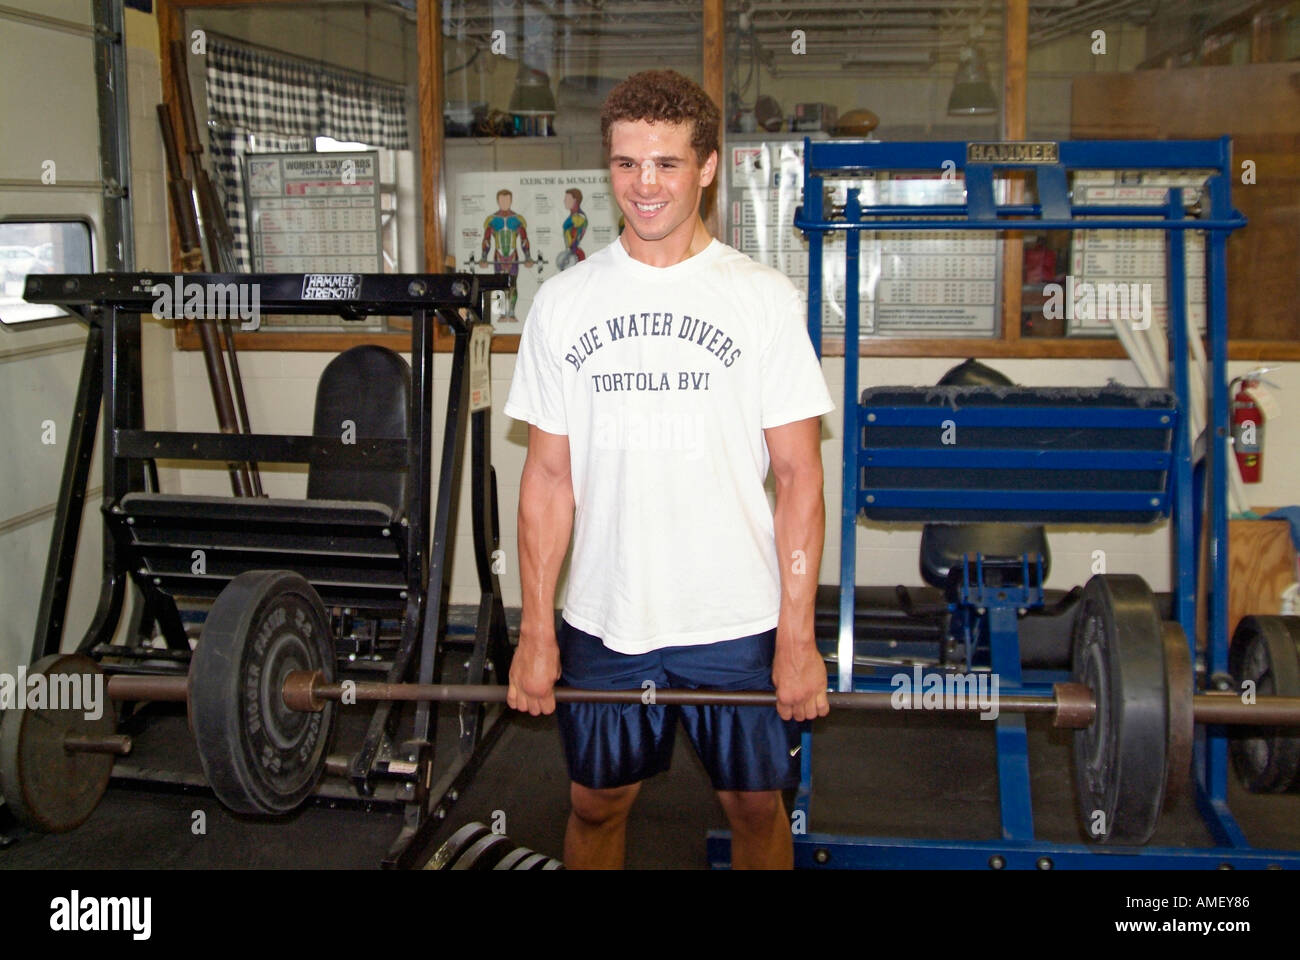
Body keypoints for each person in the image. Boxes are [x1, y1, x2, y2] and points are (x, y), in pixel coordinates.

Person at [502, 68, 834, 870]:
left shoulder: (762, 300)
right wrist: (535, 630)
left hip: (736, 618)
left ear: (708, 166)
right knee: (594, 802)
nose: (643, 186)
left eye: (667, 164)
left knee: (757, 807)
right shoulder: (564, 302)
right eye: (626, 164)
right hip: (608, 615)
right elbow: (548, 481)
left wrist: (798, 638)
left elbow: (799, 478)